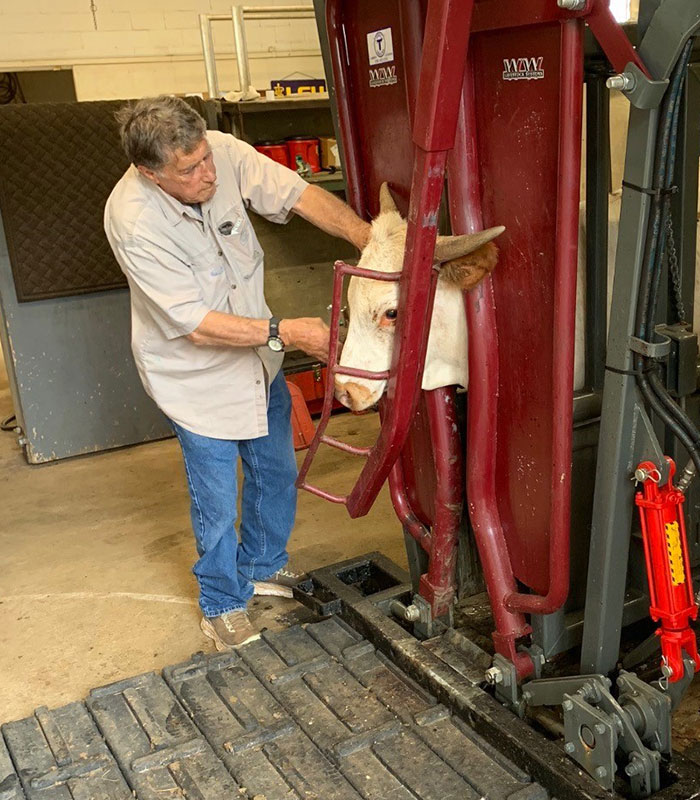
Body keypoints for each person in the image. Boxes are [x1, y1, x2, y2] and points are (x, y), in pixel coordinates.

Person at [104, 95, 370, 651]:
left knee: (274, 471)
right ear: (151, 173)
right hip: (195, 377)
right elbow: (195, 325)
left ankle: (263, 565)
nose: (207, 173)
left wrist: (371, 240)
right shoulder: (133, 221)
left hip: (257, 359)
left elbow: (299, 194)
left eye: (205, 156)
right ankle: (222, 601)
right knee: (217, 500)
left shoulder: (219, 151)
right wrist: (288, 332)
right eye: (189, 169)